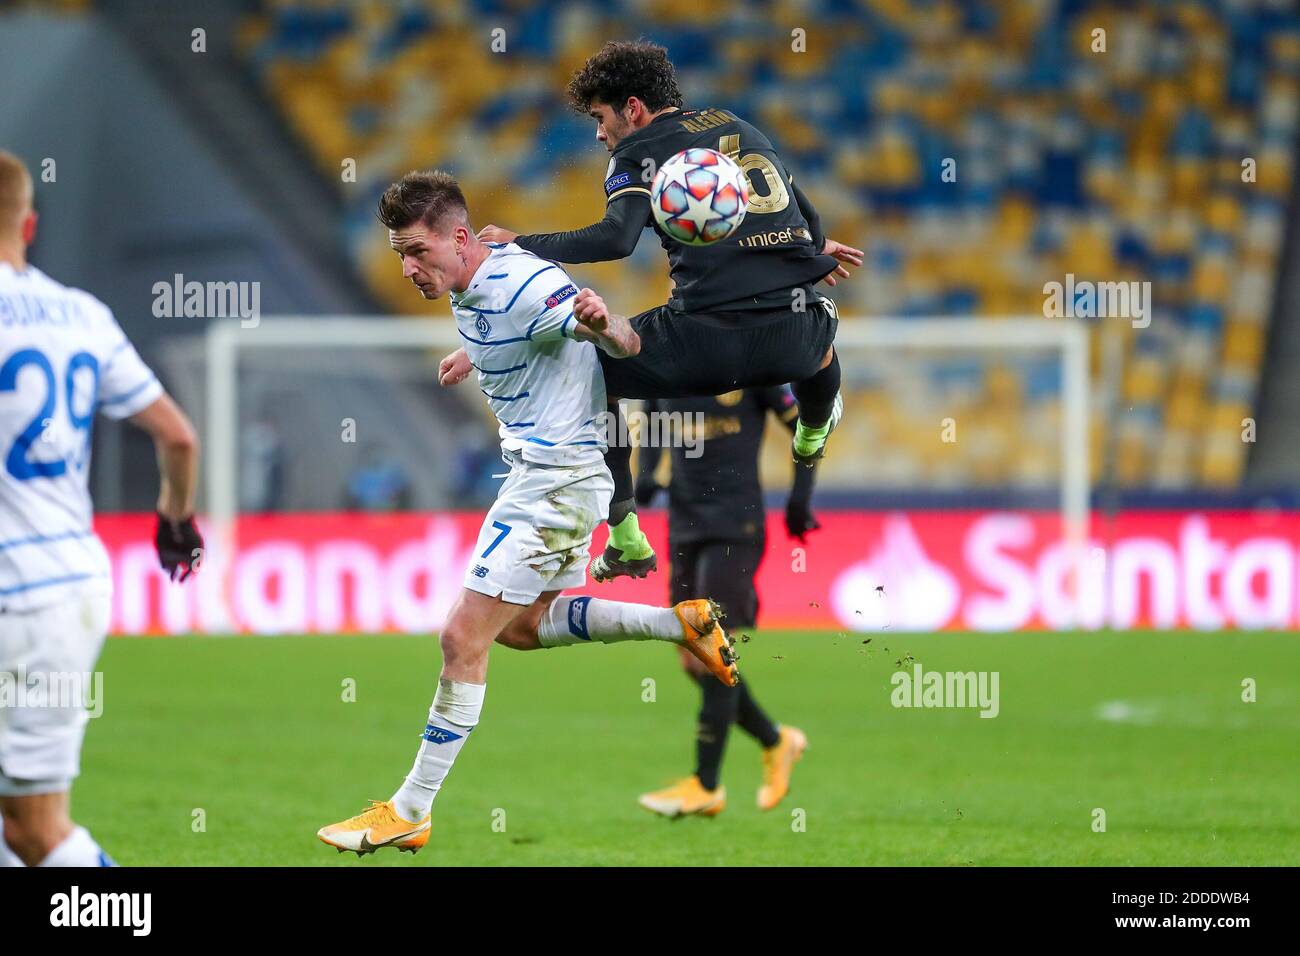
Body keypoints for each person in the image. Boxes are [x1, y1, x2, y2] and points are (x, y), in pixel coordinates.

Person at [316, 170, 739, 857]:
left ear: (458, 237)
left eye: (417, 251)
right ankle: (678, 622)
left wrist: (602, 326)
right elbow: (518, 332)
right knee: (520, 629)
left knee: (462, 638)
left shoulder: (524, 284)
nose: (408, 267)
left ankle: (410, 808)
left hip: (555, 481)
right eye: (399, 254)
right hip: (553, 479)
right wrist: (474, 354)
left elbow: (617, 342)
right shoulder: (473, 283)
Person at [479, 40, 862, 582]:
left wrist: (520, 243)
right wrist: (809, 252)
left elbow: (617, 239)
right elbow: (811, 218)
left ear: (633, 108)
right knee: (822, 338)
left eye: (600, 116)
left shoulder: (638, 152)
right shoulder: (740, 128)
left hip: (703, 346)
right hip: (792, 341)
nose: (598, 132)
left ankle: (625, 533)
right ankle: (814, 427)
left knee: (591, 368)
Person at [0, 149, 203, 867]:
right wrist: (175, 520)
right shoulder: (80, 313)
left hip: (17, 600)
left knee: (32, 829)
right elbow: (177, 436)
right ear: (28, 226)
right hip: (67, 585)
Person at [634, 387, 815, 816]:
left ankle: (706, 785)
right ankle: (776, 740)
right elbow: (654, 419)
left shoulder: (751, 363)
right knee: (692, 658)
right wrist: (645, 473)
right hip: (684, 524)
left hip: (736, 525)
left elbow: (807, 427)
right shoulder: (669, 357)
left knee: (711, 645)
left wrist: (800, 495)